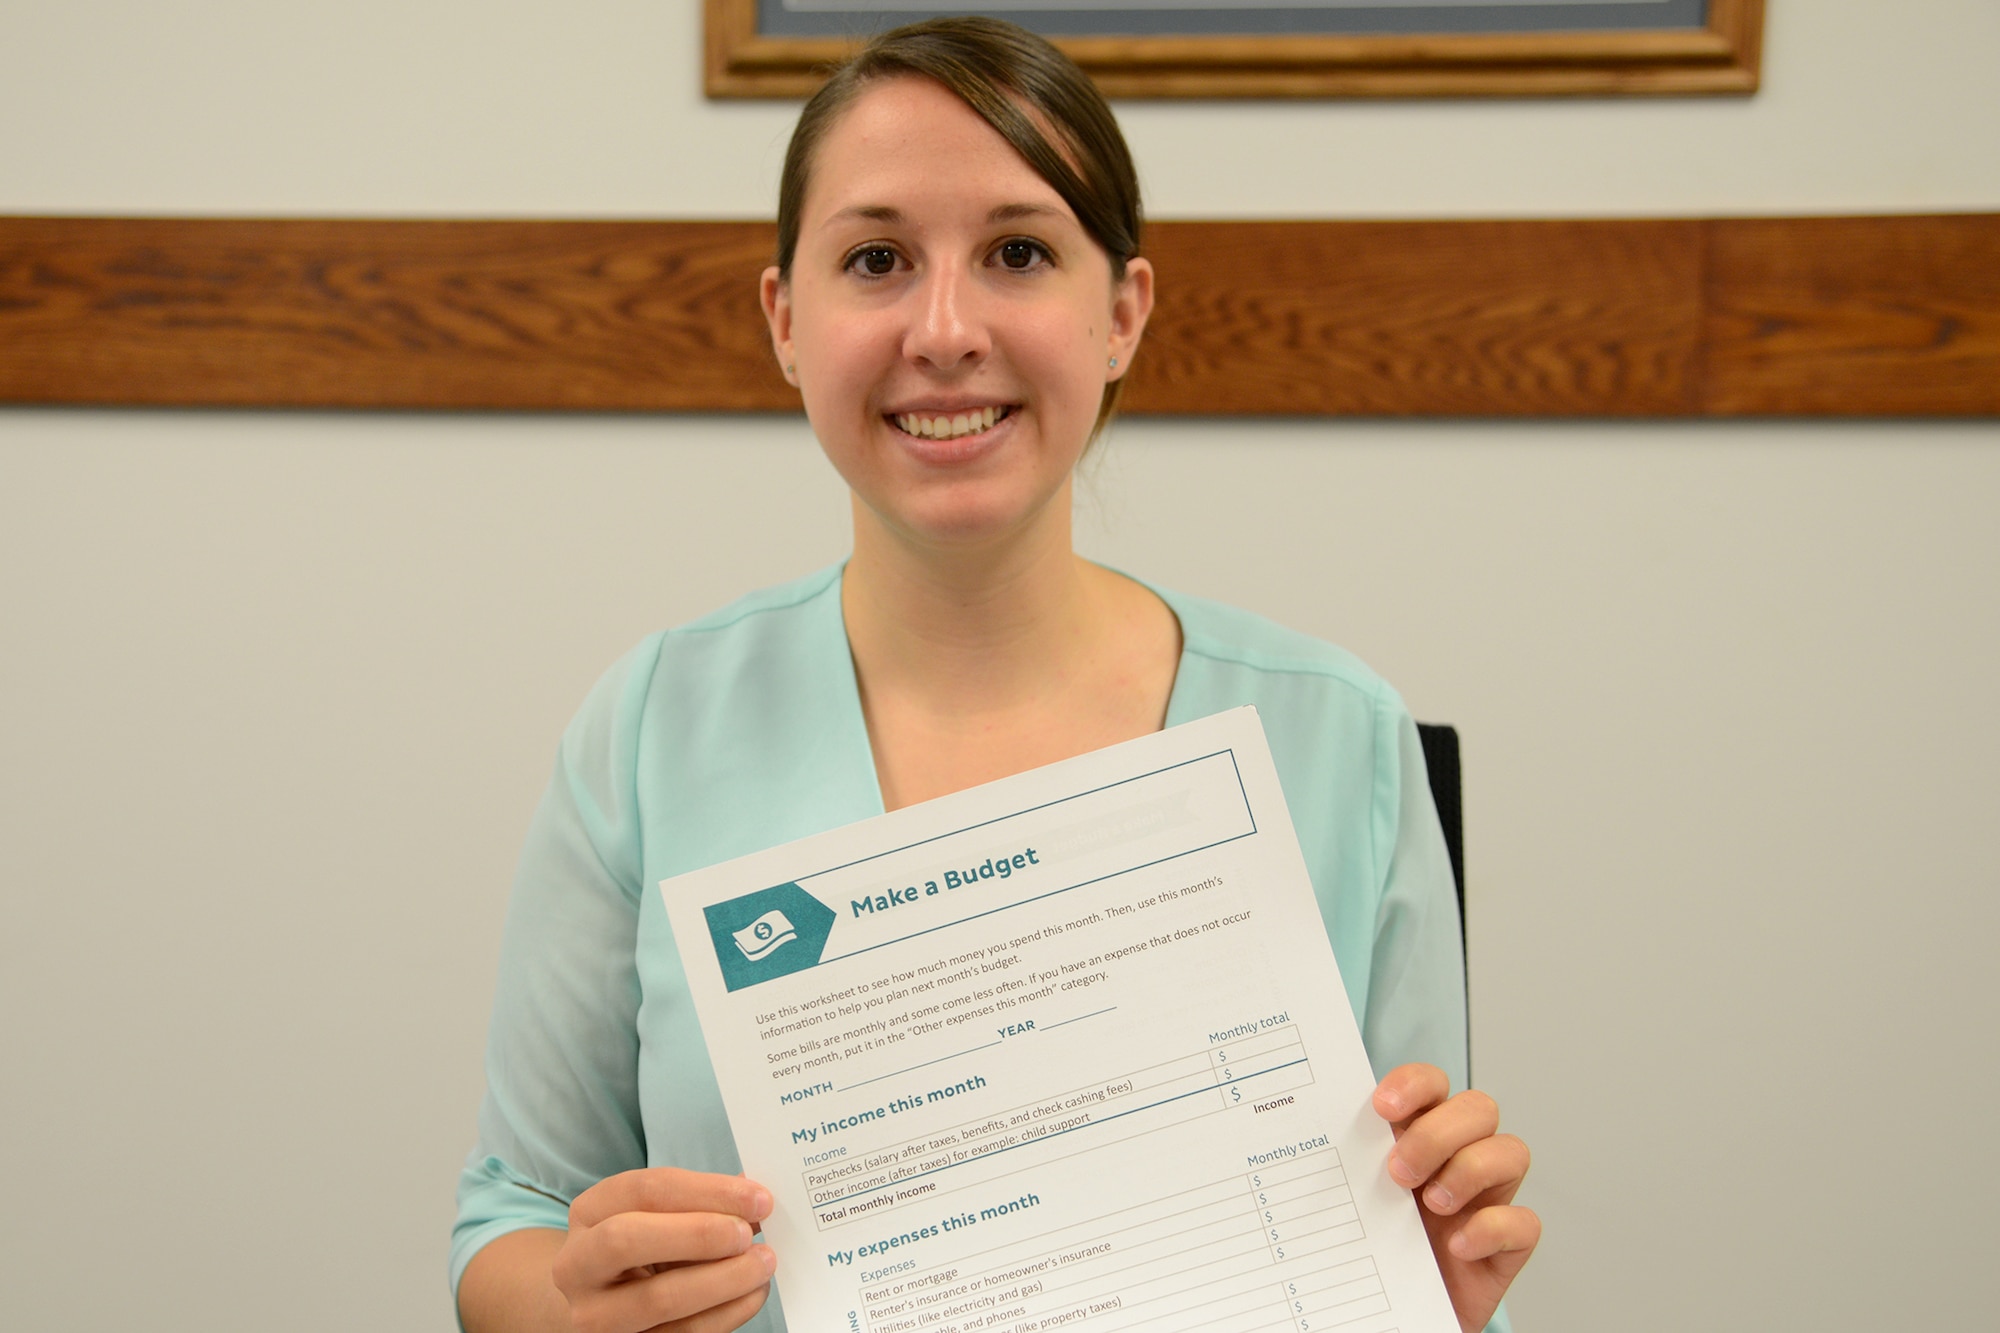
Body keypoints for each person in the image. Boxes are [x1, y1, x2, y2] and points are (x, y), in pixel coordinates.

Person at [452, 17, 1538, 1333]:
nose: (947, 328)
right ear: (787, 322)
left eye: (1018, 252)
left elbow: (1403, 1257)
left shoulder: (1335, 739)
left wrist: (1425, 1284)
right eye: (876, 260)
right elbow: (510, 1214)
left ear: (1123, 311)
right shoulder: (649, 731)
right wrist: (572, 1301)